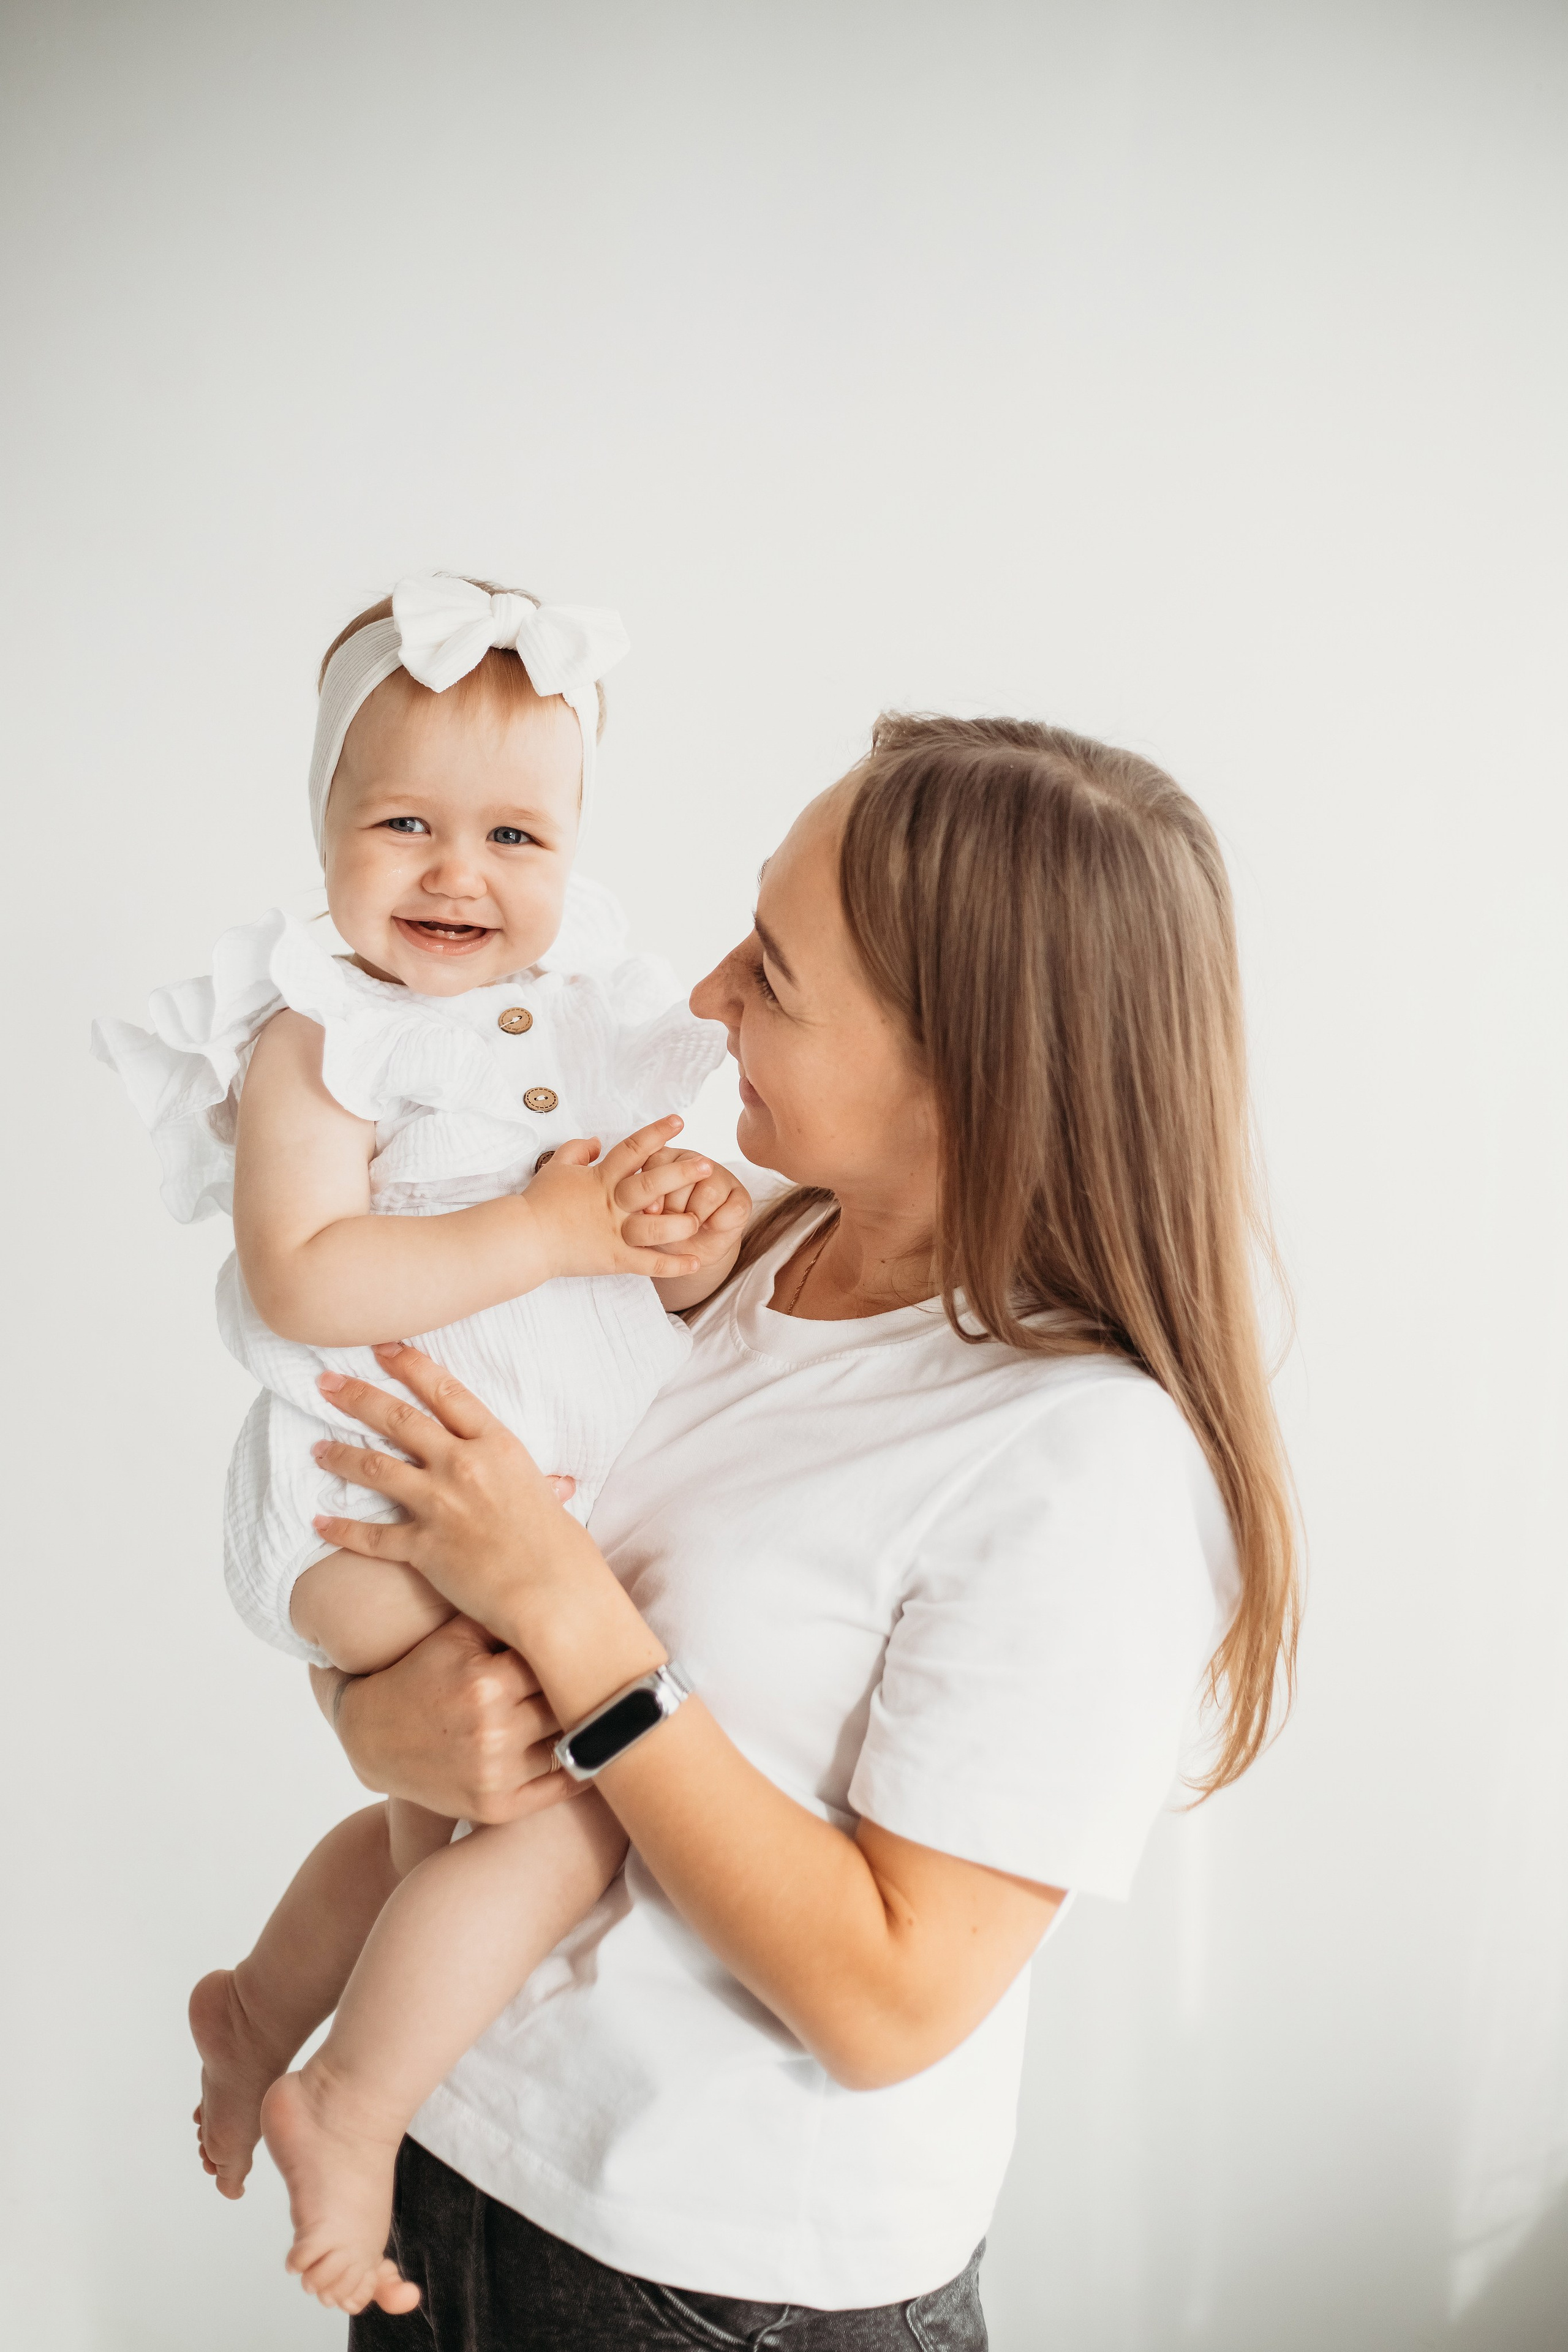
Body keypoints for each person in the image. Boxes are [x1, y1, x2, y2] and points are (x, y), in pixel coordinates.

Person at [301, 712, 1301, 2351]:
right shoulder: (736, 1256)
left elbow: (890, 2005)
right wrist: (375, 1721)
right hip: (455, 2172)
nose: (707, 998)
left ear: (964, 1064)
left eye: (772, 972)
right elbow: (440, 1601)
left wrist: (566, 1615)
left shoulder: (1085, 1460)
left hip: (714, 2290)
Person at [92, 575, 752, 2318]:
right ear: (324, 825)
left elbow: (645, 1237)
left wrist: (680, 1237)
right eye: (405, 824)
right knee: (569, 1803)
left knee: (446, 1830)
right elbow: (302, 1274)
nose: (458, 873)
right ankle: (355, 2106)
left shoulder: (594, 1012)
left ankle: (260, 2009)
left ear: (577, 847)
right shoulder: (320, 1032)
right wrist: (542, 1233)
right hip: (364, 1496)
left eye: (514, 835)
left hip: (514, 1496)